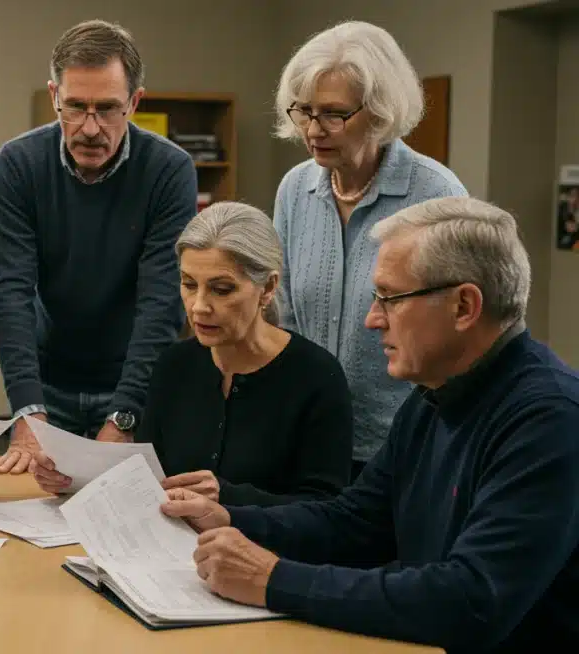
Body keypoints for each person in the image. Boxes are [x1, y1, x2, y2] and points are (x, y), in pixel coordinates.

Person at [162, 197, 579, 652]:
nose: (372, 319)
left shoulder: (551, 419)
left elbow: (471, 599)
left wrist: (272, 579)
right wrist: (230, 518)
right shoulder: (434, 395)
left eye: (390, 298)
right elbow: (355, 523)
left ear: (464, 307)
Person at [33, 202, 353, 506]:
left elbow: (326, 508)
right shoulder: (174, 366)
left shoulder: (316, 377)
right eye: (188, 284)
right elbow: (149, 479)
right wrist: (75, 480)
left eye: (221, 289)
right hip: (167, 552)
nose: (199, 306)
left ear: (267, 288)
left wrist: (228, 498)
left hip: (268, 557)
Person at [0, 19, 196, 474]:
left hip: (133, 381)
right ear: (54, 98)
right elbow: (11, 294)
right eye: (75, 107)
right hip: (49, 382)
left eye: (107, 109)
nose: (89, 127)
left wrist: (124, 416)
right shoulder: (19, 164)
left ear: (135, 102)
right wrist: (26, 409)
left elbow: (161, 305)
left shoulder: (169, 171)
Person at [272, 20, 468, 480]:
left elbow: (460, 337)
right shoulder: (294, 189)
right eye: (304, 111)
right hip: (312, 442)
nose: (313, 130)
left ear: (380, 113)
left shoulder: (436, 194)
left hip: (404, 449)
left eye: (334, 114)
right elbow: (286, 318)